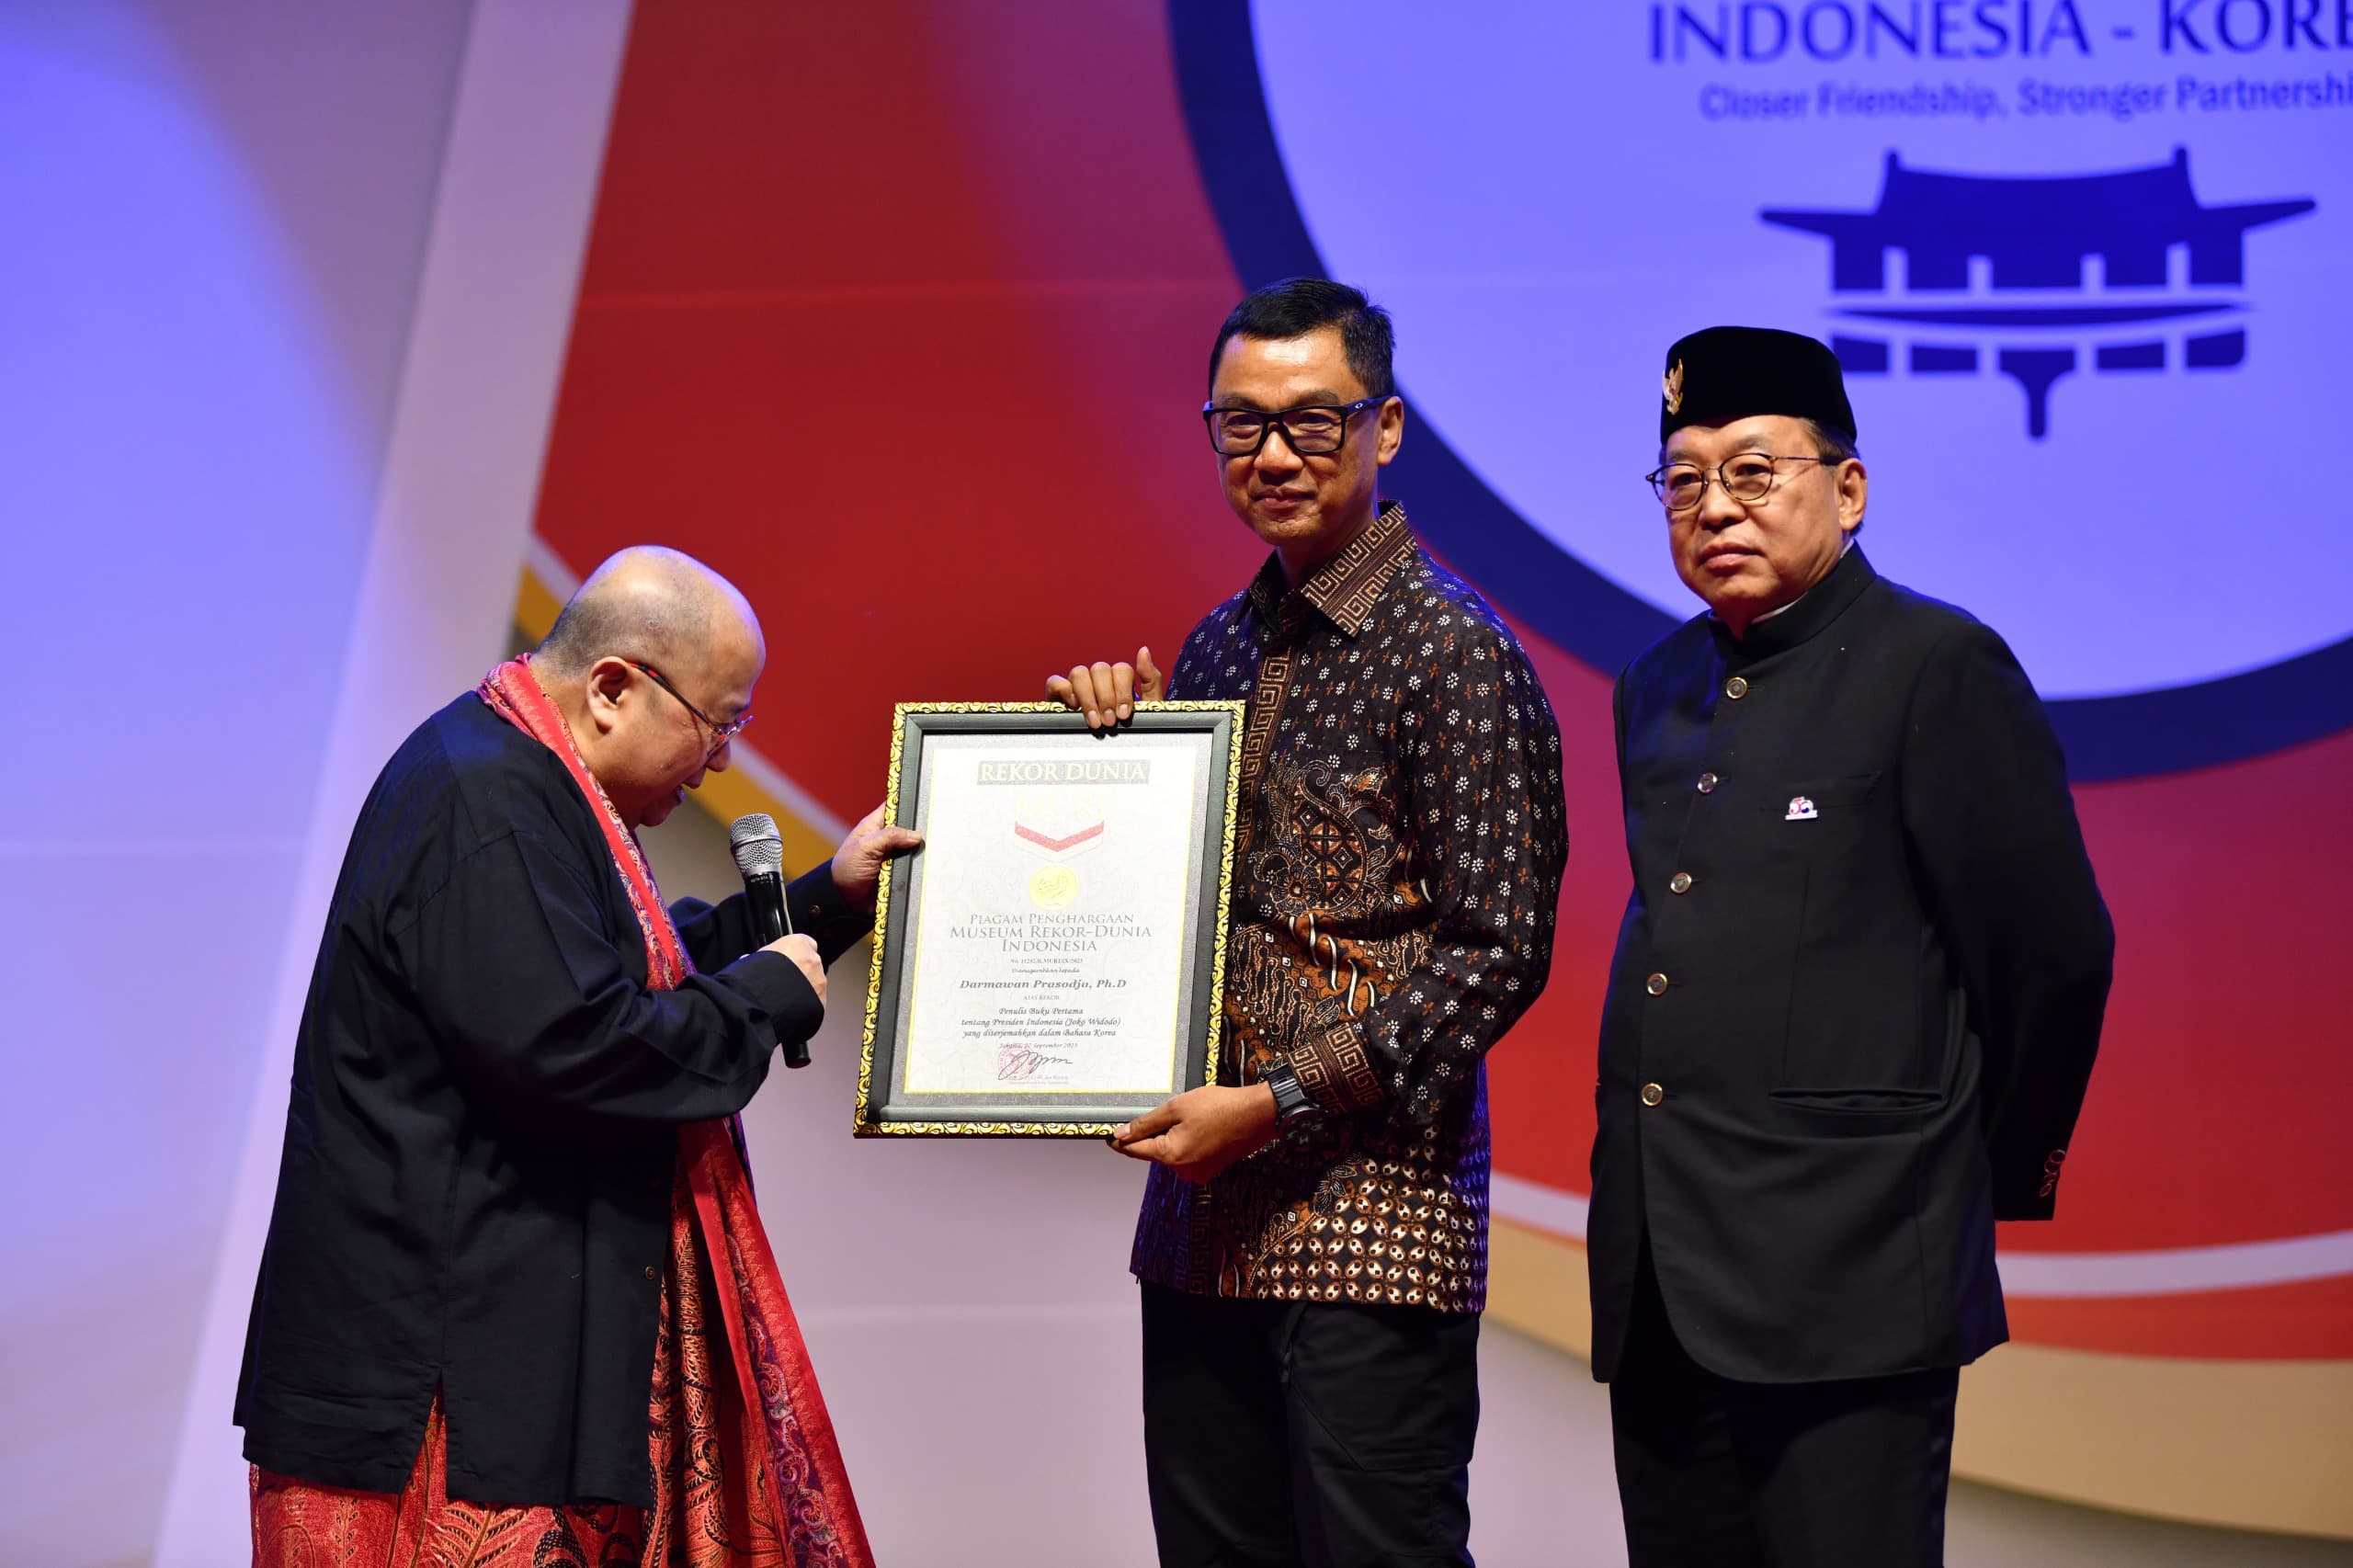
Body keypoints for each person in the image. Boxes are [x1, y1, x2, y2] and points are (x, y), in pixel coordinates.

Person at [236, 545, 916, 1566]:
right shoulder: (485, 799)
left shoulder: (522, 767)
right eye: (718, 721)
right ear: (613, 687)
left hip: (499, 1335)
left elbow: (634, 967)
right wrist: (762, 1001)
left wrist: (828, 898)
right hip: (443, 1372)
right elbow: (575, 1046)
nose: (723, 759)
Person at [1050, 278, 1570, 1567]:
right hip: (1200, 1236)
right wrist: (1108, 759)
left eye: (1312, 422)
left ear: (1385, 430)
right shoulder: (1218, 648)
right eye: (1240, 425)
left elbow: (1495, 953)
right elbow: (1175, 908)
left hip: (1370, 1236)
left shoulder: (1453, 649)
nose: (1273, 455)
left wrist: (1278, 1099)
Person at [1589, 326, 2115, 1566]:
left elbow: (2053, 953)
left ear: (1850, 487)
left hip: (1853, 1274)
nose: (1713, 505)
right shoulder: (1654, 684)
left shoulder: (1937, 666)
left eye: (1754, 471)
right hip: (1666, 1274)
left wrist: (1958, 1180)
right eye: (1683, 479)